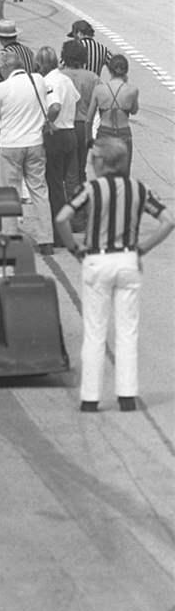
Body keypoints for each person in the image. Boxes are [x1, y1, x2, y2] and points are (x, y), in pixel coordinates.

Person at [56, 136, 175, 412]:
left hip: (97, 259)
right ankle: (127, 395)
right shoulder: (138, 188)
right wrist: (142, 248)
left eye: (94, 158)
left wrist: (75, 249)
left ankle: (90, 397)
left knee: (95, 331)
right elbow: (168, 220)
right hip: (127, 259)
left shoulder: (91, 188)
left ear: (102, 162)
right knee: (127, 329)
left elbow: (62, 217)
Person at [0, 49, 54, 254]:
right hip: (35, 142)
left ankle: (10, 235)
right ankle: (46, 239)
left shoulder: (2, 88)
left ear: (6, 68)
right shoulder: (37, 80)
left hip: (10, 144)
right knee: (39, 190)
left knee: (9, 192)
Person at [35, 46, 80, 242]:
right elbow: (76, 99)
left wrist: (46, 123)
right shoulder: (65, 79)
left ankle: (59, 233)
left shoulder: (49, 82)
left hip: (56, 134)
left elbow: (54, 106)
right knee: (64, 181)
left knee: (53, 186)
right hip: (70, 131)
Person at [86, 53, 139, 176]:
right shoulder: (132, 90)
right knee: (123, 172)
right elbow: (134, 110)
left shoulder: (99, 90)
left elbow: (89, 119)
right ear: (126, 71)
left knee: (103, 172)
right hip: (123, 132)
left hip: (105, 132)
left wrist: (88, 137)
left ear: (110, 70)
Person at [59, 39, 99, 188]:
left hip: (63, 126)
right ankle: (81, 198)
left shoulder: (60, 76)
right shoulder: (92, 78)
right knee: (80, 168)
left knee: (65, 168)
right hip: (83, 126)